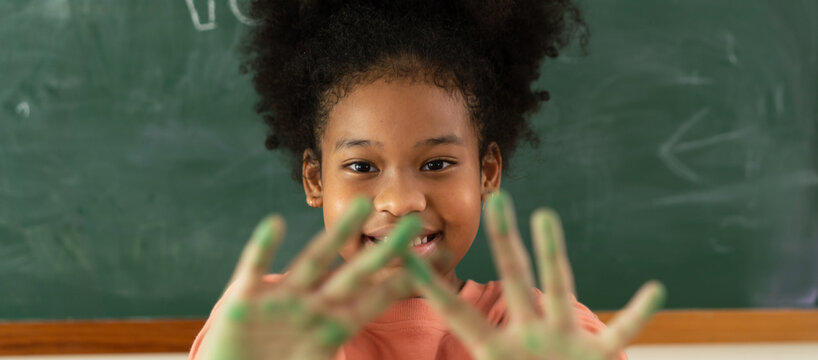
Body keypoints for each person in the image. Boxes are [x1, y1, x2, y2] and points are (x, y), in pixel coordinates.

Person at [190, 1, 665, 359]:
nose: (400, 201)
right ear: (315, 179)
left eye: (436, 164)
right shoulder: (266, 324)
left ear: (487, 172)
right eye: (362, 167)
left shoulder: (541, 332)